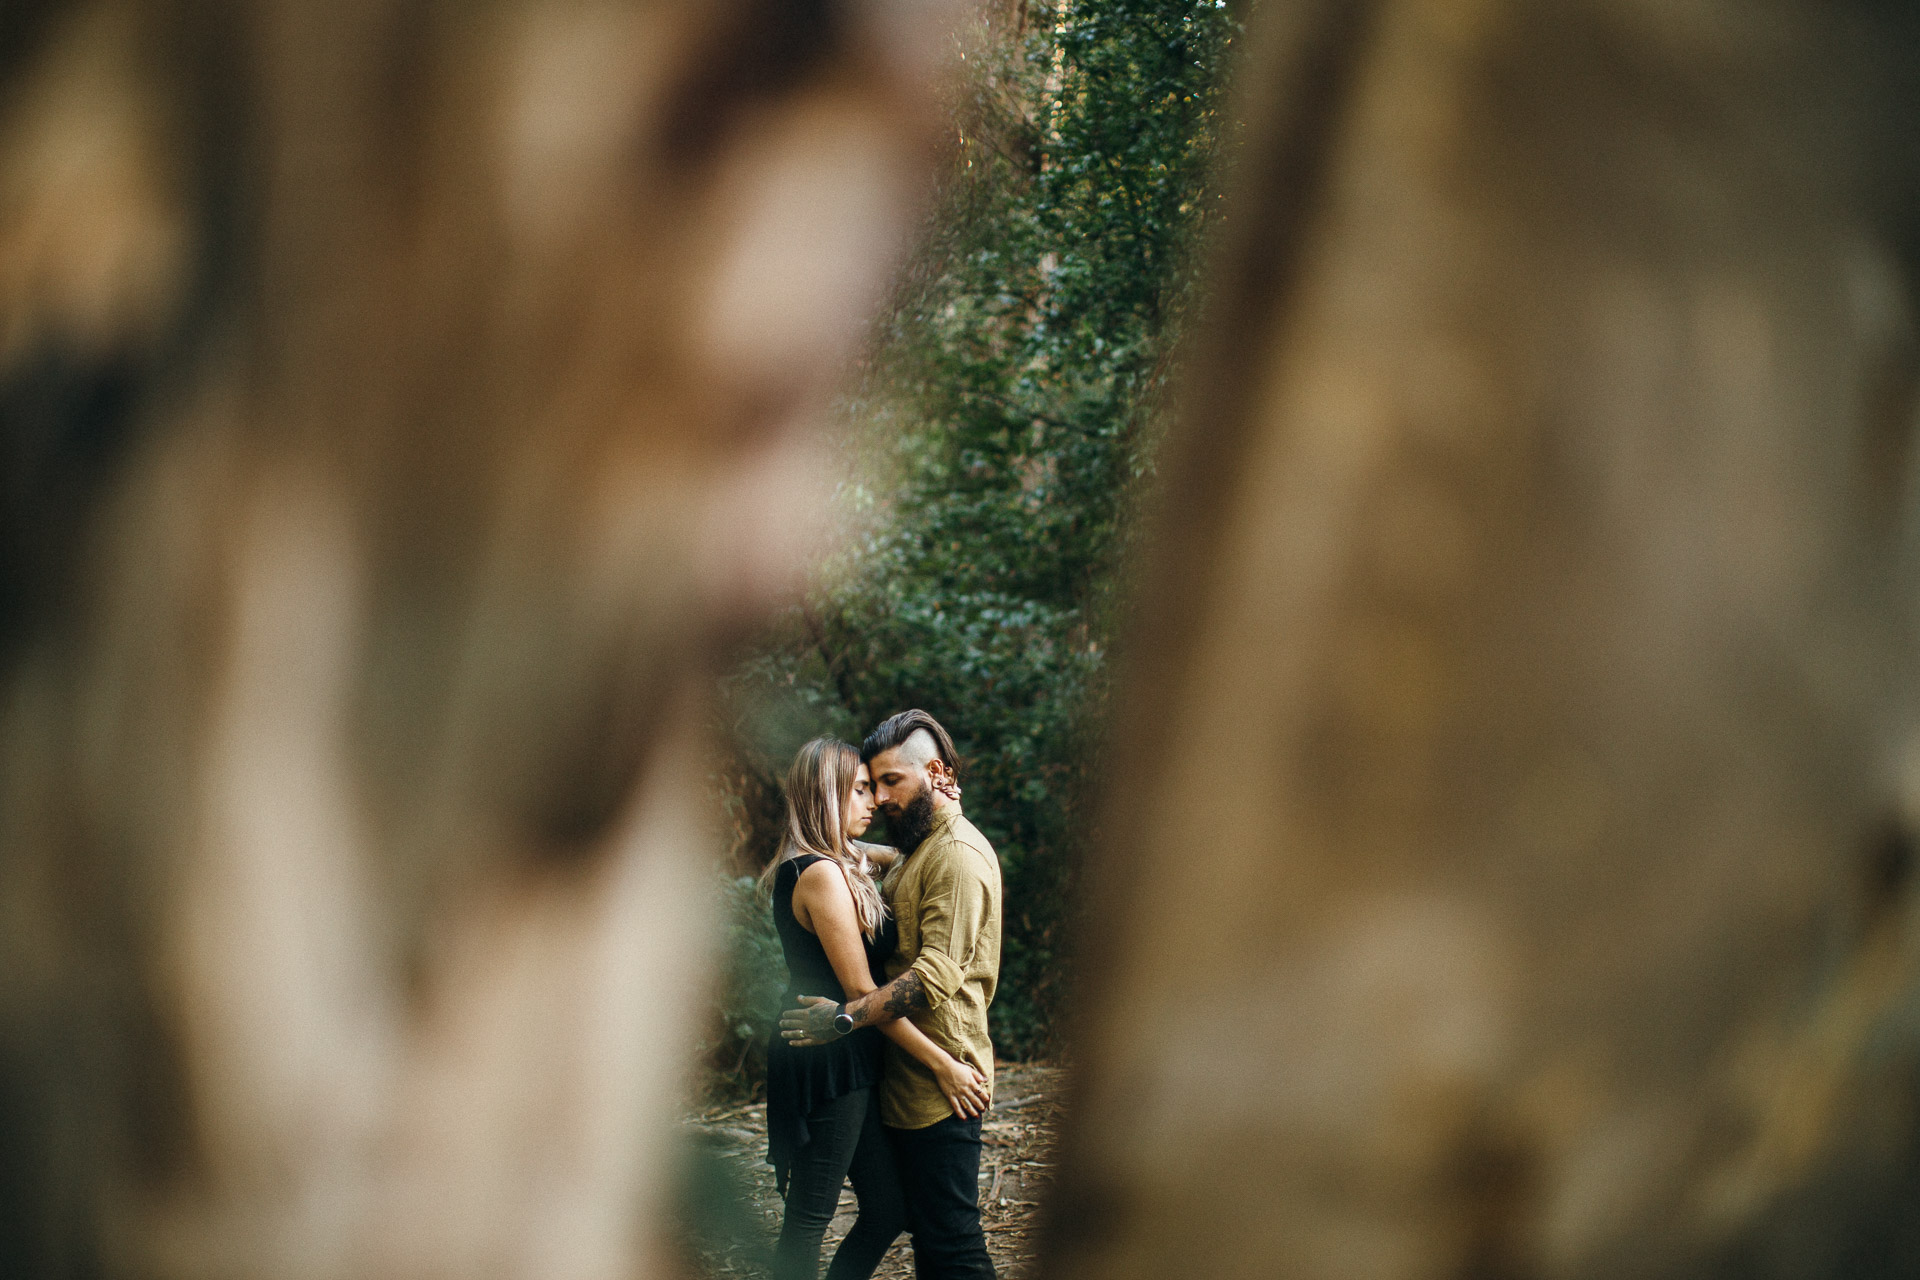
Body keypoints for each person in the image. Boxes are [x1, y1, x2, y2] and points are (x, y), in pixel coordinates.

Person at [781, 711, 1003, 1280]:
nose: (877, 799)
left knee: (927, 1229)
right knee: (877, 1224)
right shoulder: (861, 862)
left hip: (904, 1063)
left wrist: (845, 1021)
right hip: (861, 1064)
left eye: (886, 784)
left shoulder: (943, 854)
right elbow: (863, 979)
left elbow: (930, 970)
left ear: (939, 771)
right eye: (862, 787)